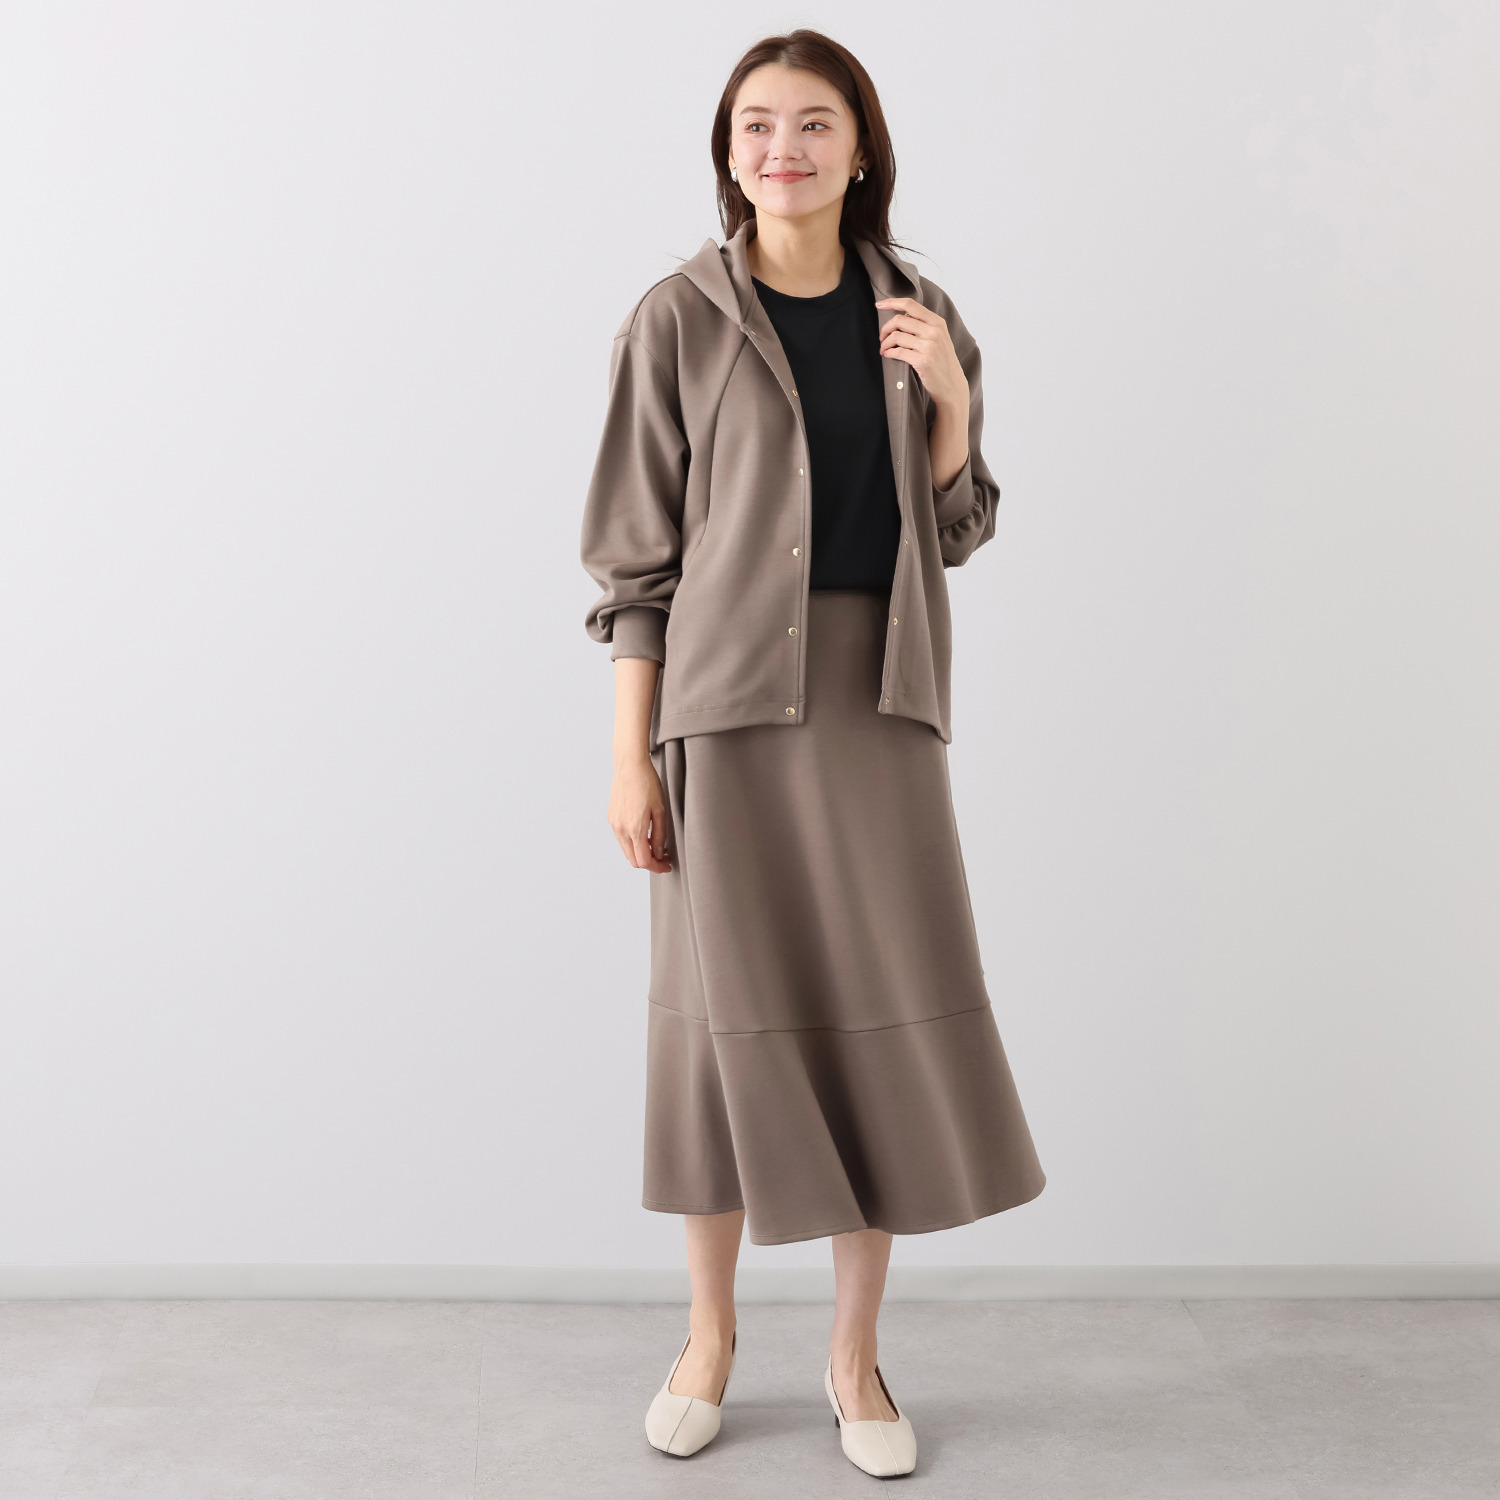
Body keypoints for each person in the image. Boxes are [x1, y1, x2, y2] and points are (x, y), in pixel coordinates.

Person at [579, 28, 1046, 1479]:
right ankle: (708, 1336)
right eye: (757, 125)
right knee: (719, 1026)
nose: (784, 147)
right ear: (730, 151)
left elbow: (955, 525)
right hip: (720, 715)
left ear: (861, 147)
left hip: (877, 707)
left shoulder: (918, 312)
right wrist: (630, 757)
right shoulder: (676, 318)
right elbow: (634, 565)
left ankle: (854, 1357)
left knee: (874, 1016)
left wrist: (950, 401)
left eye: (815, 123)